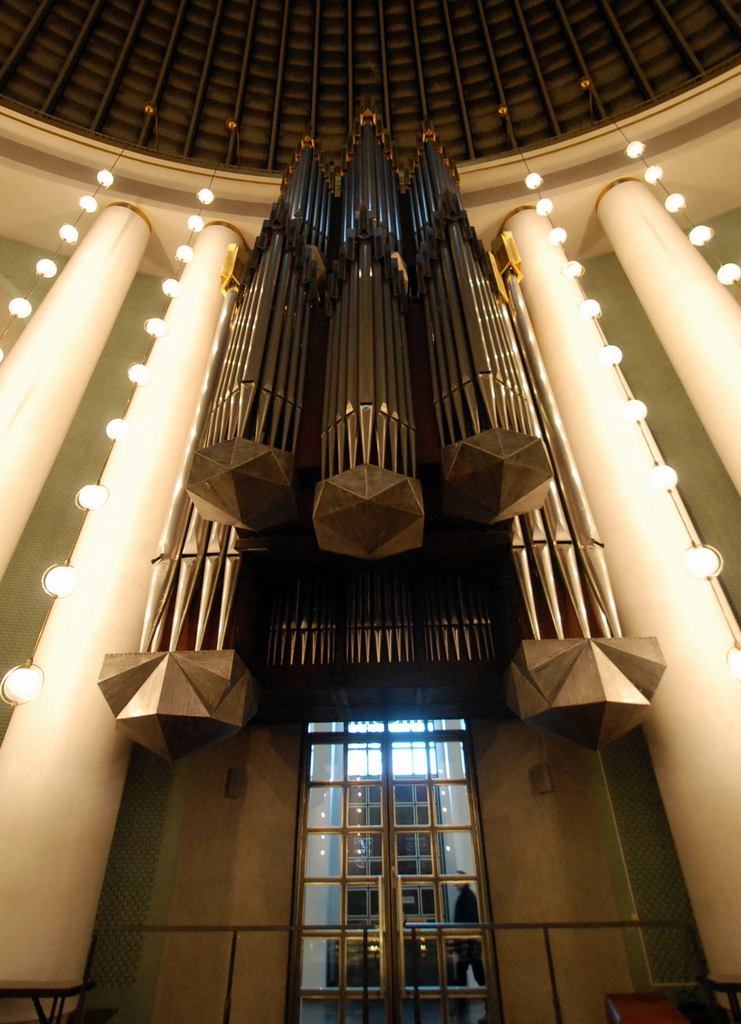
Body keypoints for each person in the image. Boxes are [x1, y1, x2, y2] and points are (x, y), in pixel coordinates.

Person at [452, 872, 487, 1022]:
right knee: (475, 973)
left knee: (466, 974)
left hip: (467, 944)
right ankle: (486, 1003)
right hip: (470, 943)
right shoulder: (468, 897)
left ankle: (461, 1006)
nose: (454, 883)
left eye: (456, 880)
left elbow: (468, 920)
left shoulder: (466, 898)